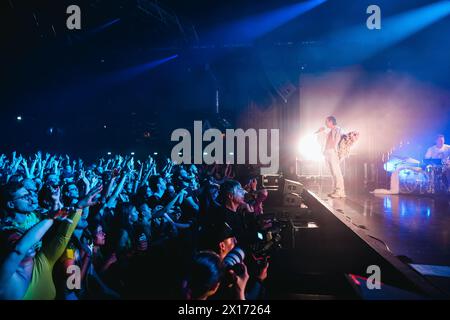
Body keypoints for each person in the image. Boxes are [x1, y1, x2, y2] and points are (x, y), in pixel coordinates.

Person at [317, 116, 346, 198]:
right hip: (327, 152)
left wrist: (339, 152)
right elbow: (321, 141)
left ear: (331, 121)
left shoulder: (338, 129)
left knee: (336, 172)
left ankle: (340, 191)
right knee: (332, 172)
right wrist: (321, 132)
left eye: (327, 121)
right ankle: (335, 190)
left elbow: (343, 140)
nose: (325, 123)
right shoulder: (329, 131)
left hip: (333, 152)